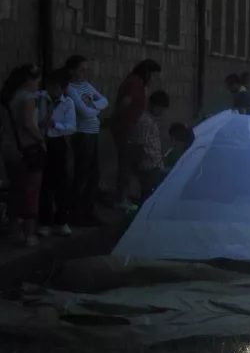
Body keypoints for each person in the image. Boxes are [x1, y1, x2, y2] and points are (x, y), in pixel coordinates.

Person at [2, 65, 45, 247]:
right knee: (31, 192)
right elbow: (28, 123)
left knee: (15, 191)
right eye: (36, 80)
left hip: (10, 149)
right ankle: (29, 234)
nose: (38, 85)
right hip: (28, 151)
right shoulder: (27, 98)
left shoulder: (7, 98)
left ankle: (15, 231)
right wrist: (41, 140)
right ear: (28, 80)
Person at [112, 59, 161, 209]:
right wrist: (115, 117)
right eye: (151, 75)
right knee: (126, 164)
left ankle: (124, 196)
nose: (152, 78)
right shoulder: (134, 81)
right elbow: (126, 101)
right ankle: (122, 199)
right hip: (125, 128)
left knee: (127, 163)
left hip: (129, 127)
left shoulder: (139, 82)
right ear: (146, 72)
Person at [64, 55, 107, 225]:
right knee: (82, 173)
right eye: (81, 69)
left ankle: (87, 211)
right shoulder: (70, 89)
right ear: (72, 71)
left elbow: (104, 101)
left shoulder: (86, 86)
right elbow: (84, 111)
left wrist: (93, 105)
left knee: (93, 174)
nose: (84, 72)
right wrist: (94, 107)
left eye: (86, 69)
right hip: (82, 133)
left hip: (93, 132)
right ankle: (75, 212)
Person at [38, 68, 75, 236]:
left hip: (58, 142)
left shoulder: (68, 103)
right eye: (50, 85)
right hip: (41, 142)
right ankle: (44, 222)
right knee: (44, 184)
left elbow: (72, 127)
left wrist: (56, 125)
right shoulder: (40, 98)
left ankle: (62, 221)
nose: (52, 89)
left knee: (61, 183)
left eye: (56, 86)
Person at [131, 91, 170, 199]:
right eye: (160, 108)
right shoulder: (145, 121)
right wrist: (139, 164)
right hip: (148, 166)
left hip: (155, 164)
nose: (162, 112)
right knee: (148, 195)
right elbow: (140, 144)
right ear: (153, 105)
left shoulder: (153, 120)